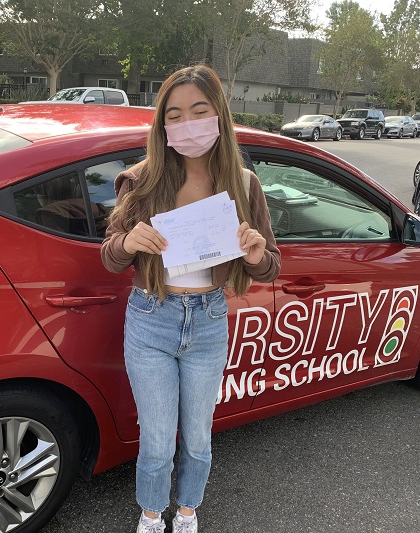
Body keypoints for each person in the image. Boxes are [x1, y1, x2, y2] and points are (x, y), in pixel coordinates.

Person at [100, 64, 281, 533]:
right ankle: (151, 513)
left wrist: (258, 254)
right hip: (151, 318)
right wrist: (128, 243)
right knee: (157, 438)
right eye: (174, 115)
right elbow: (110, 257)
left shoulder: (243, 184)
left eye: (199, 111)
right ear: (162, 125)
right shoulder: (140, 181)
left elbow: (271, 264)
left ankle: (187, 510)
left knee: (198, 436)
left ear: (219, 115)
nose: (187, 124)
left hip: (208, 318)